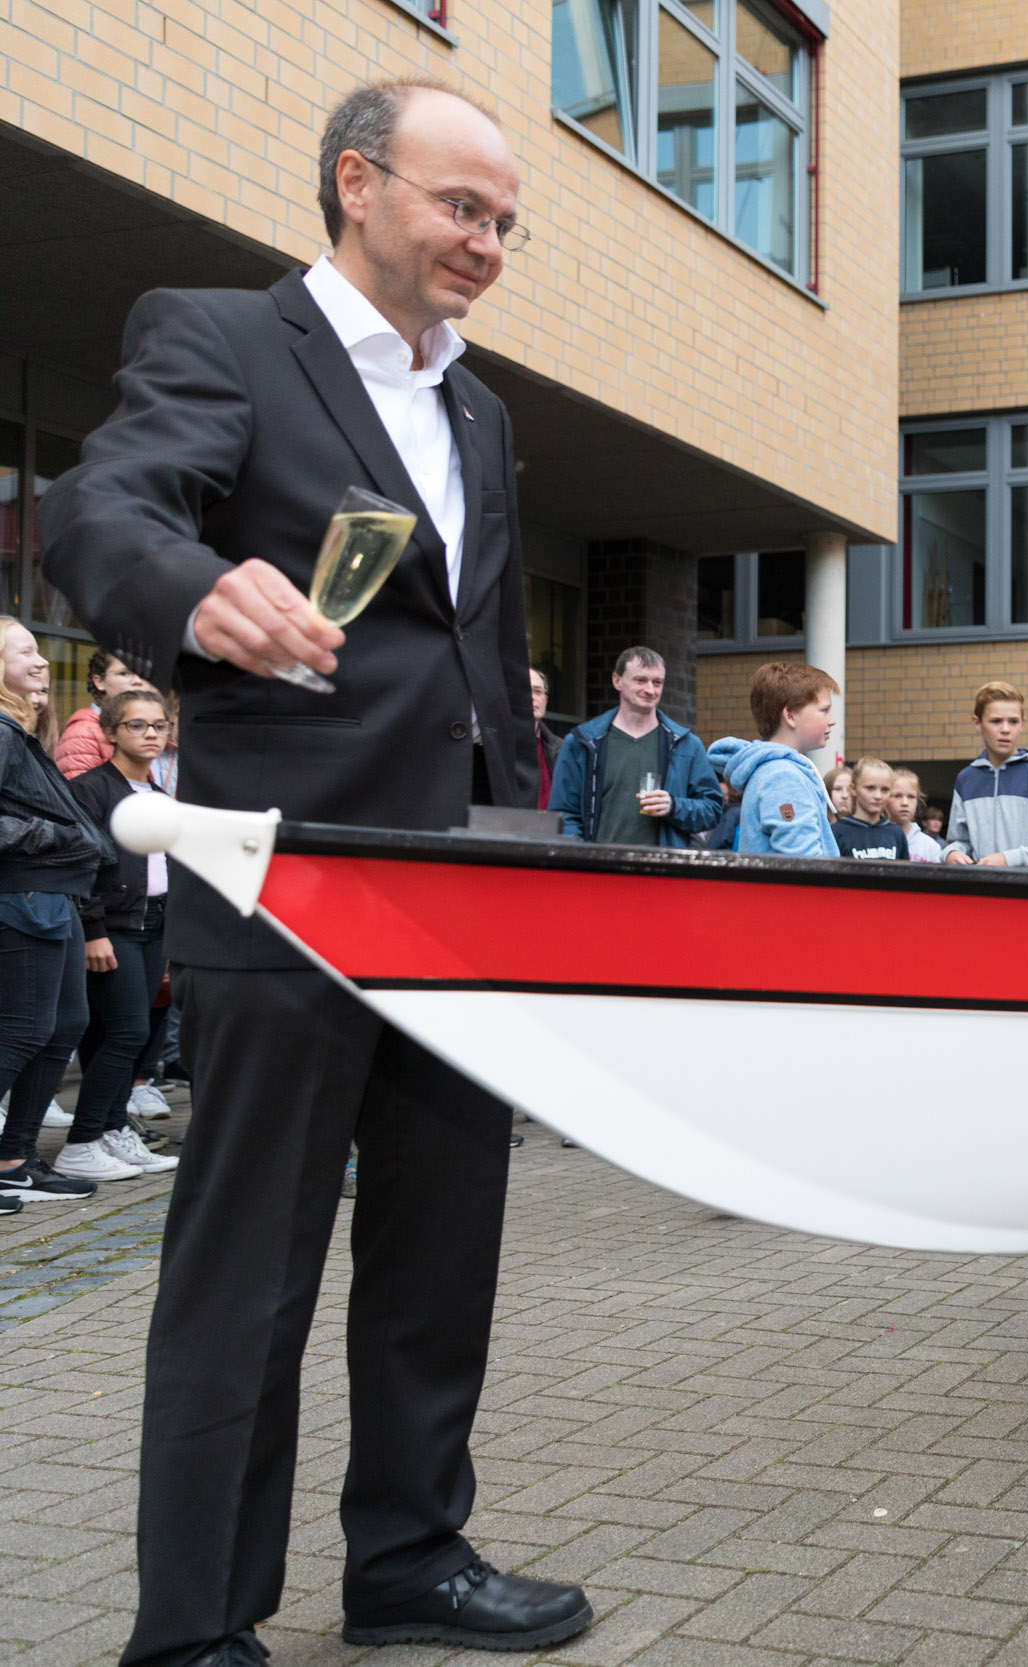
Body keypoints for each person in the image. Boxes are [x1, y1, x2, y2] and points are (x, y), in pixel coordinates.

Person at [40, 79, 595, 1662]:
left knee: (439, 1257)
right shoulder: (224, 336)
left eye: (505, 221)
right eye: (461, 207)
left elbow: (483, 656)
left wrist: (528, 850)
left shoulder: (481, 409)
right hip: (287, 886)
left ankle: (412, 1554)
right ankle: (198, 1621)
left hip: (464, 896)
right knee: (249, 1272)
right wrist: (201, 588)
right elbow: (102, 505)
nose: (489, 241)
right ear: (359, 182)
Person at [0, 617, 110, 1212]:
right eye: (26, 653)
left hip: (52, 896)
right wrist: (54, 835)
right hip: (25, 898)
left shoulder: (19, 733)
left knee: (65, 1025)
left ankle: (14, 1158)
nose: (43, 663)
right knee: (24, 1031)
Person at [59, 689, 182, 1181]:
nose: (151, 733)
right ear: (110, 732)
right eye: (137, 725)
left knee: (124, 1031)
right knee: (127, 1031)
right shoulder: (91, 789)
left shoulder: (158, 795)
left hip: (153, 924)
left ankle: (111, 1131)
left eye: (158, 725)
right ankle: (82, 1141)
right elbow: (81, 863)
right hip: (113, 928)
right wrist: (92, 930)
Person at [550, 647, 722, 848]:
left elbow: (713, 809)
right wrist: (582, 858)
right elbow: (562, 815)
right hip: (600, 872)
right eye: (640, 680)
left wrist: (674, 806)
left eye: (657, 682)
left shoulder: (687, 745)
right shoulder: (582, 742)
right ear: (617, 681)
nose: (650, 690)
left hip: (662, 873)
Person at [707, 662, 840, 857]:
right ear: (790, 715)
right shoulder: (783, 778)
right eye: (824, 710)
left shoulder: (774, 772)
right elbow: (805, 865)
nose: (832, 720)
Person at [943, 680, 1028, 867]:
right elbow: (961, 840)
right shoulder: (966, 779)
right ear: (977, 723)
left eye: (1013, 721)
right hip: (981, 893)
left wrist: (1010, 859)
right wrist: (952, 852)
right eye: (996, 721)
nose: (1005, 729)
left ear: (1022, 723)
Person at [54, 647, 155, 777]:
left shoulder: (145, 729)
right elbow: (80, 793)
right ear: (99, 681)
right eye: (124, 673)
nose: (137, 681)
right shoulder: (83, 732)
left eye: (142, 674)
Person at [835, 758, 910, 859]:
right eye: (870, 788)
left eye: (885, 790)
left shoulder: (896, 834)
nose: (878, 796)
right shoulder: (837, 833)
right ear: (853, 789)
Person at [887, 769, 945, 861]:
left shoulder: (931, 847)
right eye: (897, 796)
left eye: (911, 797)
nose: (905, 803)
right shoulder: (874, 839)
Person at [526, 666, 554, 812]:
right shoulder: (495, 746)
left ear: (545, 700)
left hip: (551, 832)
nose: (532, 697)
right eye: (526, 690)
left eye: (538, 692)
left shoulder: (561, 749)